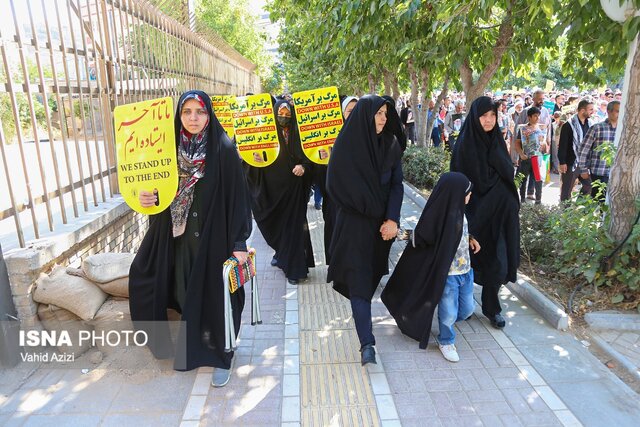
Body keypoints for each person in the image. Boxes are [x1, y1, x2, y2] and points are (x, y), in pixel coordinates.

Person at [129, 90, 252, 387]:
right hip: (178, 235)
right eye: (187, 112)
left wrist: (239, 244)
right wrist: (145, 198)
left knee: (220, 296)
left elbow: (239, 200)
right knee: (171, 286)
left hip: (214, 238)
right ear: (179, 116)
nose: (194, 118)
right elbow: (152, 190)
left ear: (209, 115)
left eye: (200, 112)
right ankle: (194, 346)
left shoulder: (223, 149)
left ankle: (224, 353)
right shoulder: (166, 151)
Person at [327, 95, 403, 365]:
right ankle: (367, 343)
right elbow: (335, 186)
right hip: (354, 226)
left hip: (381, 227)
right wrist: (364, 207)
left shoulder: (391, 145)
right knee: (359, 284)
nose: (383, 118)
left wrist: (392, 219)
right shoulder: (347, 145)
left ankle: (365, 331)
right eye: (378, 113)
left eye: (385, 113)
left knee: (370, 281)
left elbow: (396, 185)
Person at [381, 172, 479, 362]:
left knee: (467, 309)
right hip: (449, 275)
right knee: (449, 312)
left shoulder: (460, 212)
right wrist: (396, 233)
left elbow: (461, 232)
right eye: (467, 192)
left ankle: (447, 322)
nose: (470, 196)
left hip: (466, 271)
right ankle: (446, 340)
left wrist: (471, 239)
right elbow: (423, 236)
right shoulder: (440, 218)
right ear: (456, 194)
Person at [450, 97, 520, 329]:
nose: (489, 120)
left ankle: (492, 308)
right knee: (468, 263)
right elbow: (459, 183)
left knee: (498, 263)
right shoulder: (464, 146)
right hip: (474, 216)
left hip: (498, 217)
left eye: (493, 116)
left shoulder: (497, 141)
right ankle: (465, 305)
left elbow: (507, 175)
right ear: (475, 117)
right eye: (484, 116)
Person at [244, 98, 314, 284]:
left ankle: (295, 270)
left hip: (294, 191)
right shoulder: (265, 135)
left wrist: (304, 167)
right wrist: (255, 160)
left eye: (288, 114)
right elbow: (251, 165)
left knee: (294, 229)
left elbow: (310, 157)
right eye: (280, 114)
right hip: (272, 192)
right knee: (277, 228)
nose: (284, 117)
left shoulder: (299, 134)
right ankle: (282, 256)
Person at [576, 101, 619, 200]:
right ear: (608, 111)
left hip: (616, 173)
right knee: (597, 201)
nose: (619, 114)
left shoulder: (622, 130)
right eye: (617, 111)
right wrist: (583, 169)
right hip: (599, 172)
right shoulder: (597, 128)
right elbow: (583, 150)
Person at [558, 99, 594, 202]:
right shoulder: (568, 125)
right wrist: (562, 162)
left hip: (584, 163)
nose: (592, 112)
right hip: (570, 163)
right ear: (582, 110)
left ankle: (578, 206)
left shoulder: (591, 124)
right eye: (590, 109)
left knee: (589, 185)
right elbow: (562, 145)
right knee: (567, 189)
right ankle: (565, 212)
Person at [515, 107, 547, 204]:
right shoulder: (523, 129)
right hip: (526, 158)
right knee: (523, 179)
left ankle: (538, 200)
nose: (537, 118)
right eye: (535, 116)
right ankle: (523, 199)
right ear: (529, 117)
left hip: (537, 158)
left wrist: (544, 146)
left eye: (538, 116)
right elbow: (517, 143)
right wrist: (521, 153)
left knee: (538, 179)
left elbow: (544, 143)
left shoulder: (541, 128)